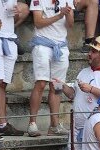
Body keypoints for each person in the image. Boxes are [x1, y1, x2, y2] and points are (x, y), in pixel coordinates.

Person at [27, 0, 74, 137]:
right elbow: (38, 22)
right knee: (41, 83)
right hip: (42, 45)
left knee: (57, 86)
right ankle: (32, 124)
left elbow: (70, 25)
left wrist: (68, 14)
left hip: (60, 46)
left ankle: (54, 125)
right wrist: (60, 15)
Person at [0, 0, 28, 139]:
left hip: (10, 40)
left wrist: (18, 15)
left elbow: (11, 19)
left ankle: (2, 125)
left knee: (3, 84)